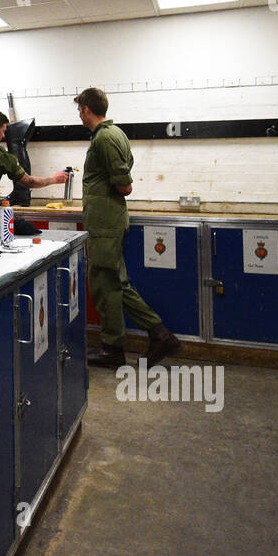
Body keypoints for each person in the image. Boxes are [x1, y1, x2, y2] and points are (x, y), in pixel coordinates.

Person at [75, 88, 180, 368]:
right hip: (107, 219)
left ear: (86, 109)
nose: (79, 115)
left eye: (79, 110)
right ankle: (158, 334)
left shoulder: (106, 138)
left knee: (104, 282)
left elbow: (124, 184)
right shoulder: (113, 134)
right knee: (115, 281)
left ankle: (115, 348)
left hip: (105, 221)